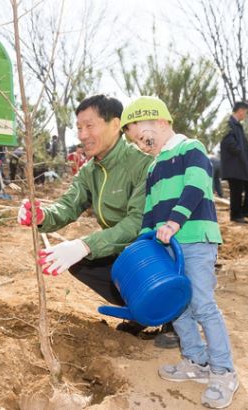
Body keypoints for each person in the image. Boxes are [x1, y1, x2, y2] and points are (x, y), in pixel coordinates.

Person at [122, 96, 237, 409]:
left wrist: (174, 221)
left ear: (160, 121)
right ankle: (195, 361)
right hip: (166, 245)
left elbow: (197, 185)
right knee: (179, 306)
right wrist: (145, 239)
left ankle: (223, 370)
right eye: (137, 142)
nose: (143, 145)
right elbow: (149, 209)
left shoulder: (191, 148)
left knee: (201, 303)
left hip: (195, 239)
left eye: (144, 137)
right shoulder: (154, 166)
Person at [18, 95, 157, 338]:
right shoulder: (89, 171)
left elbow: (137, 223)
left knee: (89, 251)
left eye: (90, 126)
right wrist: (40, 215)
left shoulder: (142, 163)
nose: (82, 135)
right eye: (79, 128)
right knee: (82, 262)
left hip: (153, 250)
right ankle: (138, 310)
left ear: (115, 125)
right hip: (123, 251)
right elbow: (67, 206)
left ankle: (170, 317)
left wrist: (84, 244)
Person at [220, 102, 248, 222]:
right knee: (236, 191)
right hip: (234, 164)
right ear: (241, 110)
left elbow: (240, 144)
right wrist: (239, 151)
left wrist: (247, 148)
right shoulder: (228, 123)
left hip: (243, 164)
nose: (245, 115)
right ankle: (236, 215)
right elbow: (228, 142)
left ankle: (246, 210)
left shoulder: (238, 125)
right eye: (246, 112)